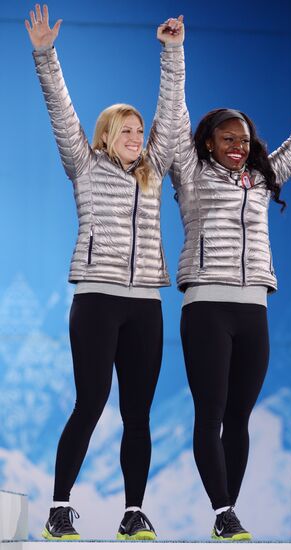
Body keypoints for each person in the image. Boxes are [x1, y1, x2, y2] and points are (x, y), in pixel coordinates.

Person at [25, 4, 184, 541]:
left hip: (146, 304)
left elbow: (173, 113)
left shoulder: (154, 172)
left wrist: (172, 51)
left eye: (141, 130)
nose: (138, 136)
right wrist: (46, 55)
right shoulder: (83, 162)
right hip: (96, 300)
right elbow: (60, 108)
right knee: (91, 401)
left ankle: (134, 511)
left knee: (138, 413)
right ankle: (59, 507)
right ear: (107, 133)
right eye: (128, 129)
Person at [169, 35, 291, 541]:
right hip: (206, 307)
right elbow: (174, 119)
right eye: (227, 140)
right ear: (209, 143)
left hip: (252, 308)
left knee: (239, 416)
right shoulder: (190, 173)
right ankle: (223, 512)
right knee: (210, 413)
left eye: (242, 140)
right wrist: (174, 54)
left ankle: (227, 515)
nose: (237, 147)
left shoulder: (262, 178)